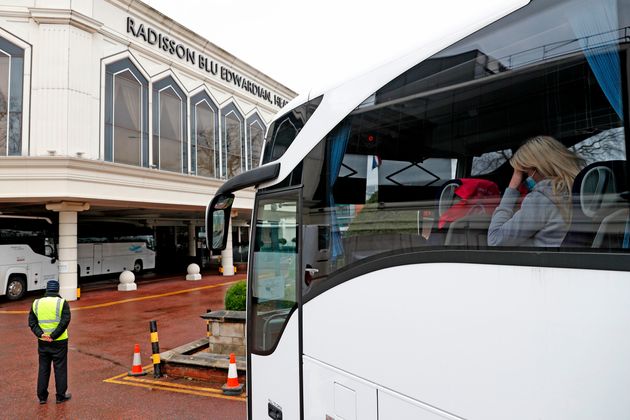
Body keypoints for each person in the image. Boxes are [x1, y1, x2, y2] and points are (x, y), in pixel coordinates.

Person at [488, 135, 584, 247]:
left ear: (536, 168)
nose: (525, 179)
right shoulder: (579, 188)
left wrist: (512, 188)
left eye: (524, 173)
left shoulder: (543, 197)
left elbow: (495, 240)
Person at [28, 280, 72, 404]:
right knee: (60, 368)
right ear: (57, 289)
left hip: (43, 341)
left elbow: (32, 322)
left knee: (43, 368)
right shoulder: (62, 302)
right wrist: (53, 336)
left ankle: (42, 397)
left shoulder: (36, 303)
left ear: (46, 289)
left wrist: (41, 334)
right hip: (60, 341)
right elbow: (65, 321)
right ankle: (60, 396)